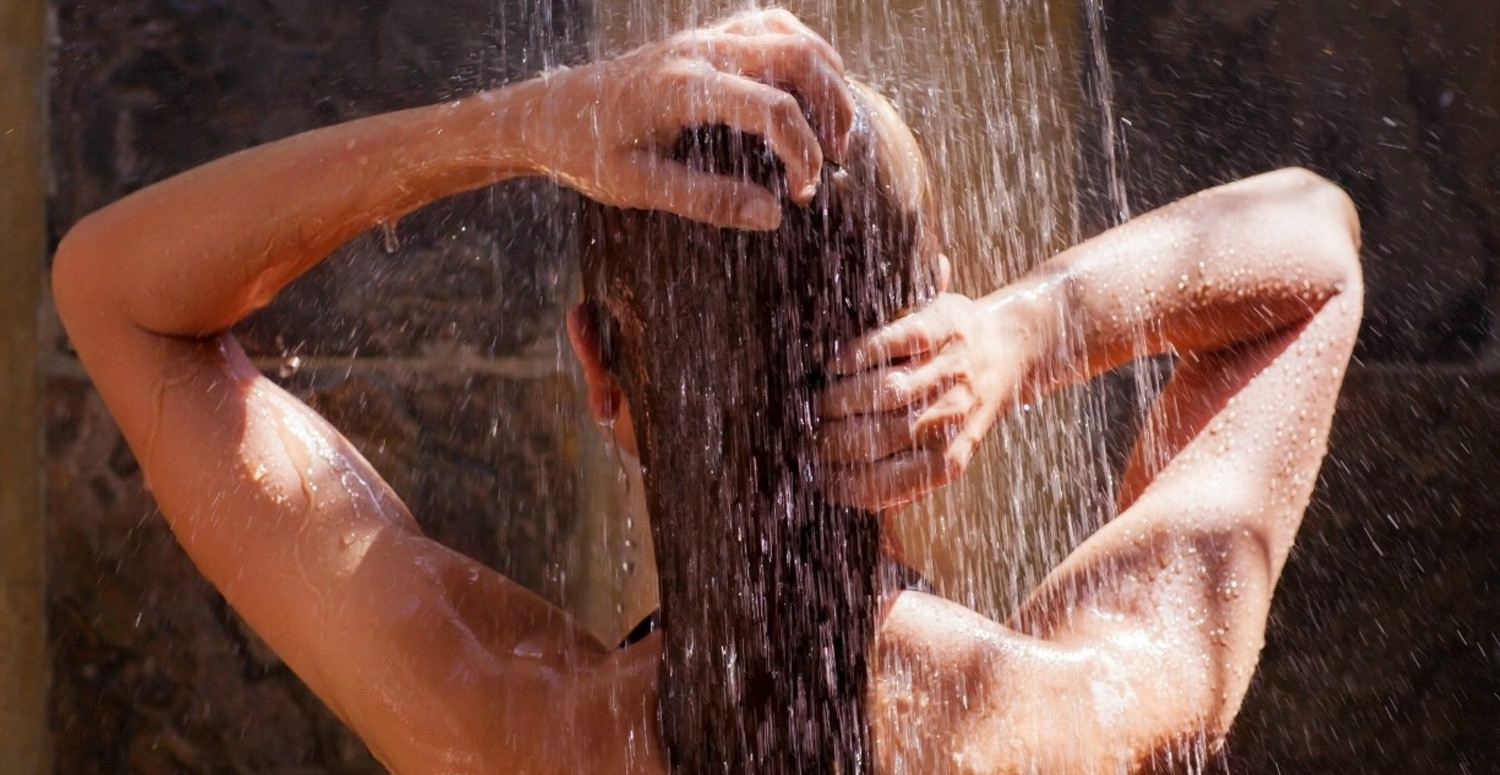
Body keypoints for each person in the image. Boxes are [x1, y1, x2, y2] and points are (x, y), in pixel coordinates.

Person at [51, 9, 1363, 775]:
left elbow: (116, 293)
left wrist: (515, 125)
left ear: (596, 368)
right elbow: (1312, 247)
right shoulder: (1080, 712)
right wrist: (1030, 329)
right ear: (923, 336)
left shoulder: (500, 723)